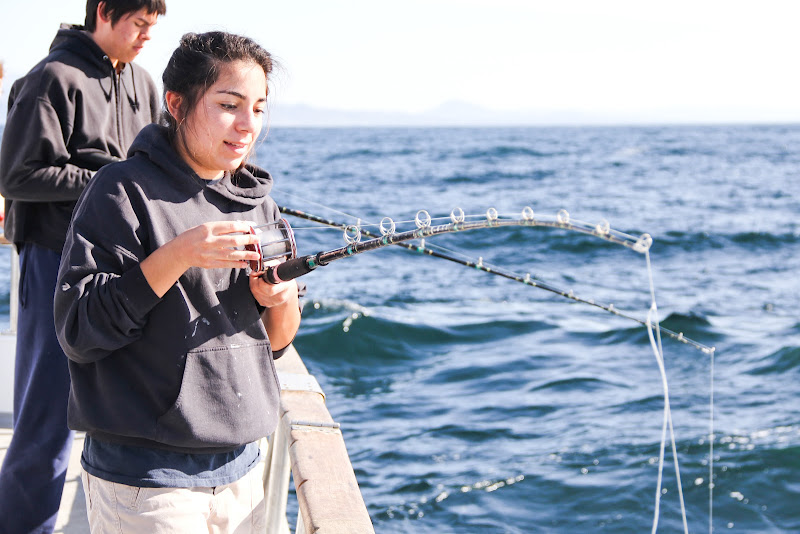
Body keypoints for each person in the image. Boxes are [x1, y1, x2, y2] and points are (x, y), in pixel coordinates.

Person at [53, 31, 302, 531]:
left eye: (258, 107)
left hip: (242, 469)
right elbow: (78, 331)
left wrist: (279, 297)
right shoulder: (121, 191)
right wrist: (178, 255)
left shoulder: (260, 204)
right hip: (144, 481)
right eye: (229, 104)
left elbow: (276, 341)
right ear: (177, 103)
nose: (247, 125)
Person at [0, 1, 166, 532]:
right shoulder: (53, 78)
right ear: (104, 12)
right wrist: (109, 181)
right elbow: (17, 175)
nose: (146, 38)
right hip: (52, 261)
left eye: (152, 28)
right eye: (138, 24)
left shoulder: (142, 82)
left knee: (116, 408)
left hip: (123, 269)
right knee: (45, 419)